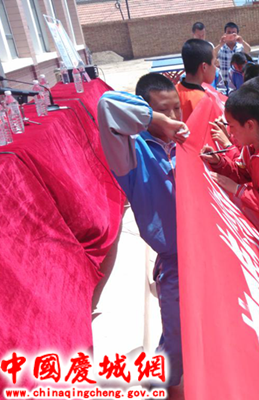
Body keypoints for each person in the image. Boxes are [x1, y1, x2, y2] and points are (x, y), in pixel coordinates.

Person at [97, 74, 190, 393]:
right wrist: (158, 120)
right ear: (147, 111)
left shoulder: (185, 143)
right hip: (174, 261)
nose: (174, 116)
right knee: (177, 339)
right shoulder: (132, 152)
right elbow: (106, 104)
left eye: (177, 108)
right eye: (164, 110)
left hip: (202, 253)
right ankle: (161, 387)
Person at [200, 86, 259, 251]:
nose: (230, 132)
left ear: (250, 125)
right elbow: (241, 173)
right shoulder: (251, 147)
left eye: (232, 126)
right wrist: (218, 162)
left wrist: (238, 190)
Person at [176, 39, 217, 122]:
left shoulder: (173, 91)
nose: (216, 68)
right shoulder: (203, 101)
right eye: (214, 63)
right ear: (204, 67)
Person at [215, 22, 252, 91]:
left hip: (239, 81)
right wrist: (220, 44)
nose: (231, 35)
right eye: (229, 32)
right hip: (225, 82)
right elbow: (212, 55)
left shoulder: (241, 47)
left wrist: (242, 41)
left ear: (237, 34)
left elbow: (249, 50)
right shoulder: (221, 48)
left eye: (233, 33)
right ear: (225, 34)